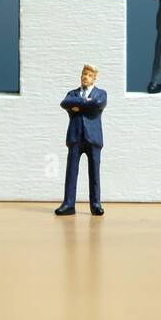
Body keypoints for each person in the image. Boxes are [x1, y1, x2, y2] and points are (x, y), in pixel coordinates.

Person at [55, 64, 106, 216]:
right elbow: (65, 103)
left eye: (89, 75)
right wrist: (86, 103)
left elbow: (97, 104)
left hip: (93, 138)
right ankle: (69, 203)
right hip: (75, 137)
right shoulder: (72, 93)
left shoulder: (100, 93)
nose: (85, 77)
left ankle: (95, 204)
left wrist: (78, 105)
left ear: (94, 78)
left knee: (94, 173)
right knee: (71, 172)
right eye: (84, 74)